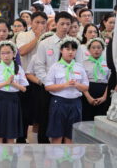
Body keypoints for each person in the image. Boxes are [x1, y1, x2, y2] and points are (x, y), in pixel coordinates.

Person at [34, 11, 85, 143]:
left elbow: (79, 65)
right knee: (45, 120)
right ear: (56, 24)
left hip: (69, 90)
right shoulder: (45, 43)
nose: (65, 27)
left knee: (68, 126)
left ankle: (65, 151)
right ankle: (44, 149)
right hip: (48, 88)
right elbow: (39, 66)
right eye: (62, 23)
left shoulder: (75, 44)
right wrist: (49, 83)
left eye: (68, 24)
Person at [44, 37, 89, 144]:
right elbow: (48, 86)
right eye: (67, 49)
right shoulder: (55, 67)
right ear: (61, 50)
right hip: (59, 102)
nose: (70, 52)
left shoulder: (79, 67)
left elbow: (86, 87)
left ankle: (69, 154)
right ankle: (56, 154)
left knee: (72, 135)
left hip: (75, 103)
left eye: (73, 49)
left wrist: (76, 84)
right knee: (57, 134)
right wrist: (64, 85)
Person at [0, 40, 28, 144]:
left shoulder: (18, 68)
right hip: (0, 99)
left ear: (14, 54)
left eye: (8, 52)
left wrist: (13, 84)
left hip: (13, 100)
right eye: (3, 53)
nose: (6, 56)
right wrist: (6, 83)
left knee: (11, 134)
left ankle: (10, 153)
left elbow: (24, 89)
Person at [17, 11, 48, 142]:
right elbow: (22, 51)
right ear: (31, 22)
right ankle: (21, 139)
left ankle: (37, 140)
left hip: (41, 79)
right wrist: (37, 37)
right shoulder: (23, 35)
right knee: (24, 112)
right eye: (37, 22)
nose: (40, 25)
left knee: (39, 114)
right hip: (25, 79)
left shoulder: (49, 37)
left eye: (43, 22)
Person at [82, 38, 111, 121]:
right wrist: (88, 97)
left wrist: (104, 97)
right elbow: (82, 82)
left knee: (101, 119)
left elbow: (110, 81)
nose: (96, 50)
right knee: (87, 118)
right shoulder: (84, 63)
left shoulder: (108, 63)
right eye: (93, 47)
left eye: (99, 47)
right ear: (89, 49)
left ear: (103, 49)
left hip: (104, 92)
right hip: (88, 91)